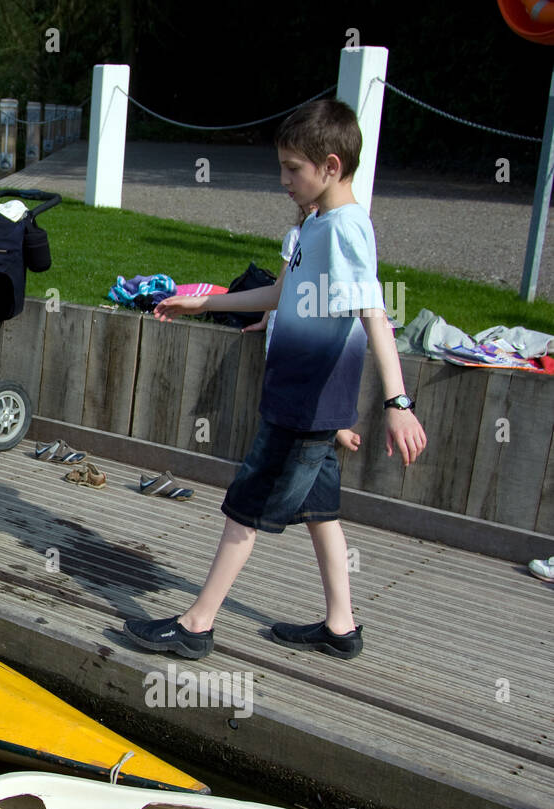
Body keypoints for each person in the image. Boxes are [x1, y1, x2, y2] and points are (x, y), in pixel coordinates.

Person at [128, 99, 427, 662]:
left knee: (247, 505)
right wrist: (207, 303)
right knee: (321, 511)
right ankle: (341, 626)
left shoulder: (344, 230)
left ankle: (197, 624)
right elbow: (282, 295)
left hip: (302, 407)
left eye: (293, 168)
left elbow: (375, 316)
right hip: (311, 404)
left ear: (331, 166)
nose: (283, 179)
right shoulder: (318, 223)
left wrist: (398, 401)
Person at [239, 203, 362, 455]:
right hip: (288, 323)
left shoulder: (341, 230)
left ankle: (329, 426)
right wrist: (265, 319)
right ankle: (328, 428)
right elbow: (280, 288)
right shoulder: (297, 235)